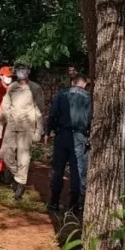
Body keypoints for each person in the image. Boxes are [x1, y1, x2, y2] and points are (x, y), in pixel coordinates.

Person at [0, 61, 45, 201]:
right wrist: (0, 125)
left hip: (27, 126)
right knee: (4, 153)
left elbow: (40, 111)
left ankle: (20, 185)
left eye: (23, 69)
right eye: (18, 69)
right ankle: (18, 175)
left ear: (29, 71)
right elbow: (5, 107)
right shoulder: (12, 87)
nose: (21, 71)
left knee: (24, 156)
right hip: (12, 125)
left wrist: (38, 130)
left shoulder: (35, 88)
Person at [46, 74, 91, 214]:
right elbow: (91, 117)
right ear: (85, 84)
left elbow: (53, 114)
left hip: (62, 135)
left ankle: (54, 202)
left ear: (73, 82)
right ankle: (74, 206)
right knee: (77, 170)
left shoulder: (61, 95)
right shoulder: (89, 98)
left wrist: (48, 131)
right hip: (79, 136)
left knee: (58, 169)